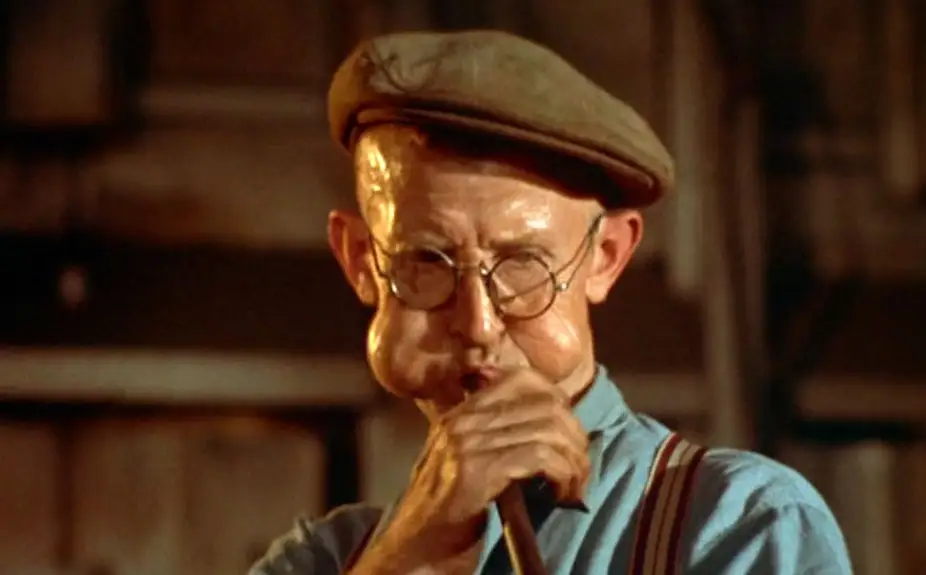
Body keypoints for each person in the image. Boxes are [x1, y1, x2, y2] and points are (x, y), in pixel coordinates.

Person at [249, 30, 852, 574]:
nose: (478, 325)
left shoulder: (740, 523)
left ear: (607, 256)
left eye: (522, 264)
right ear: (360, 260)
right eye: (427, 261)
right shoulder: (321, 561)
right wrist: (410, 555)